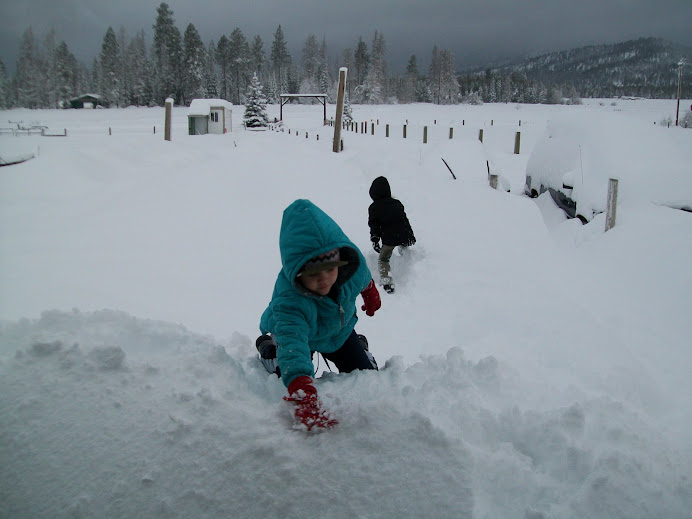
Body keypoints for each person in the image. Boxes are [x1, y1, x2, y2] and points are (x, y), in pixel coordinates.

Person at [256, 199, 381, 430]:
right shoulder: (289, 301)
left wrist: (371, 293)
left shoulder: (351, 269)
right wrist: (303, 393)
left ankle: (359, 348)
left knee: (369, 376)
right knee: (286, 372)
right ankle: (269, 350)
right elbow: (293, 344)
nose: (324, 279)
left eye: (330, 269)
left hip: (340, 332)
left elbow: (364, 278)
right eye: (313, 273)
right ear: (298, 272)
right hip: (303, 337)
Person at [367, 176, 416, 293]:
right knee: (403, 245)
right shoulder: (397, 203)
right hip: (403, 235)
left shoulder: (374, 207)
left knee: (383, 259)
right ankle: (405, 254)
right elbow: (404, 220)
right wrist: (410, 236)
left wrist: (375, 240)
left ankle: (387, 282)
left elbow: (374, 226)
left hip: (389, 239)